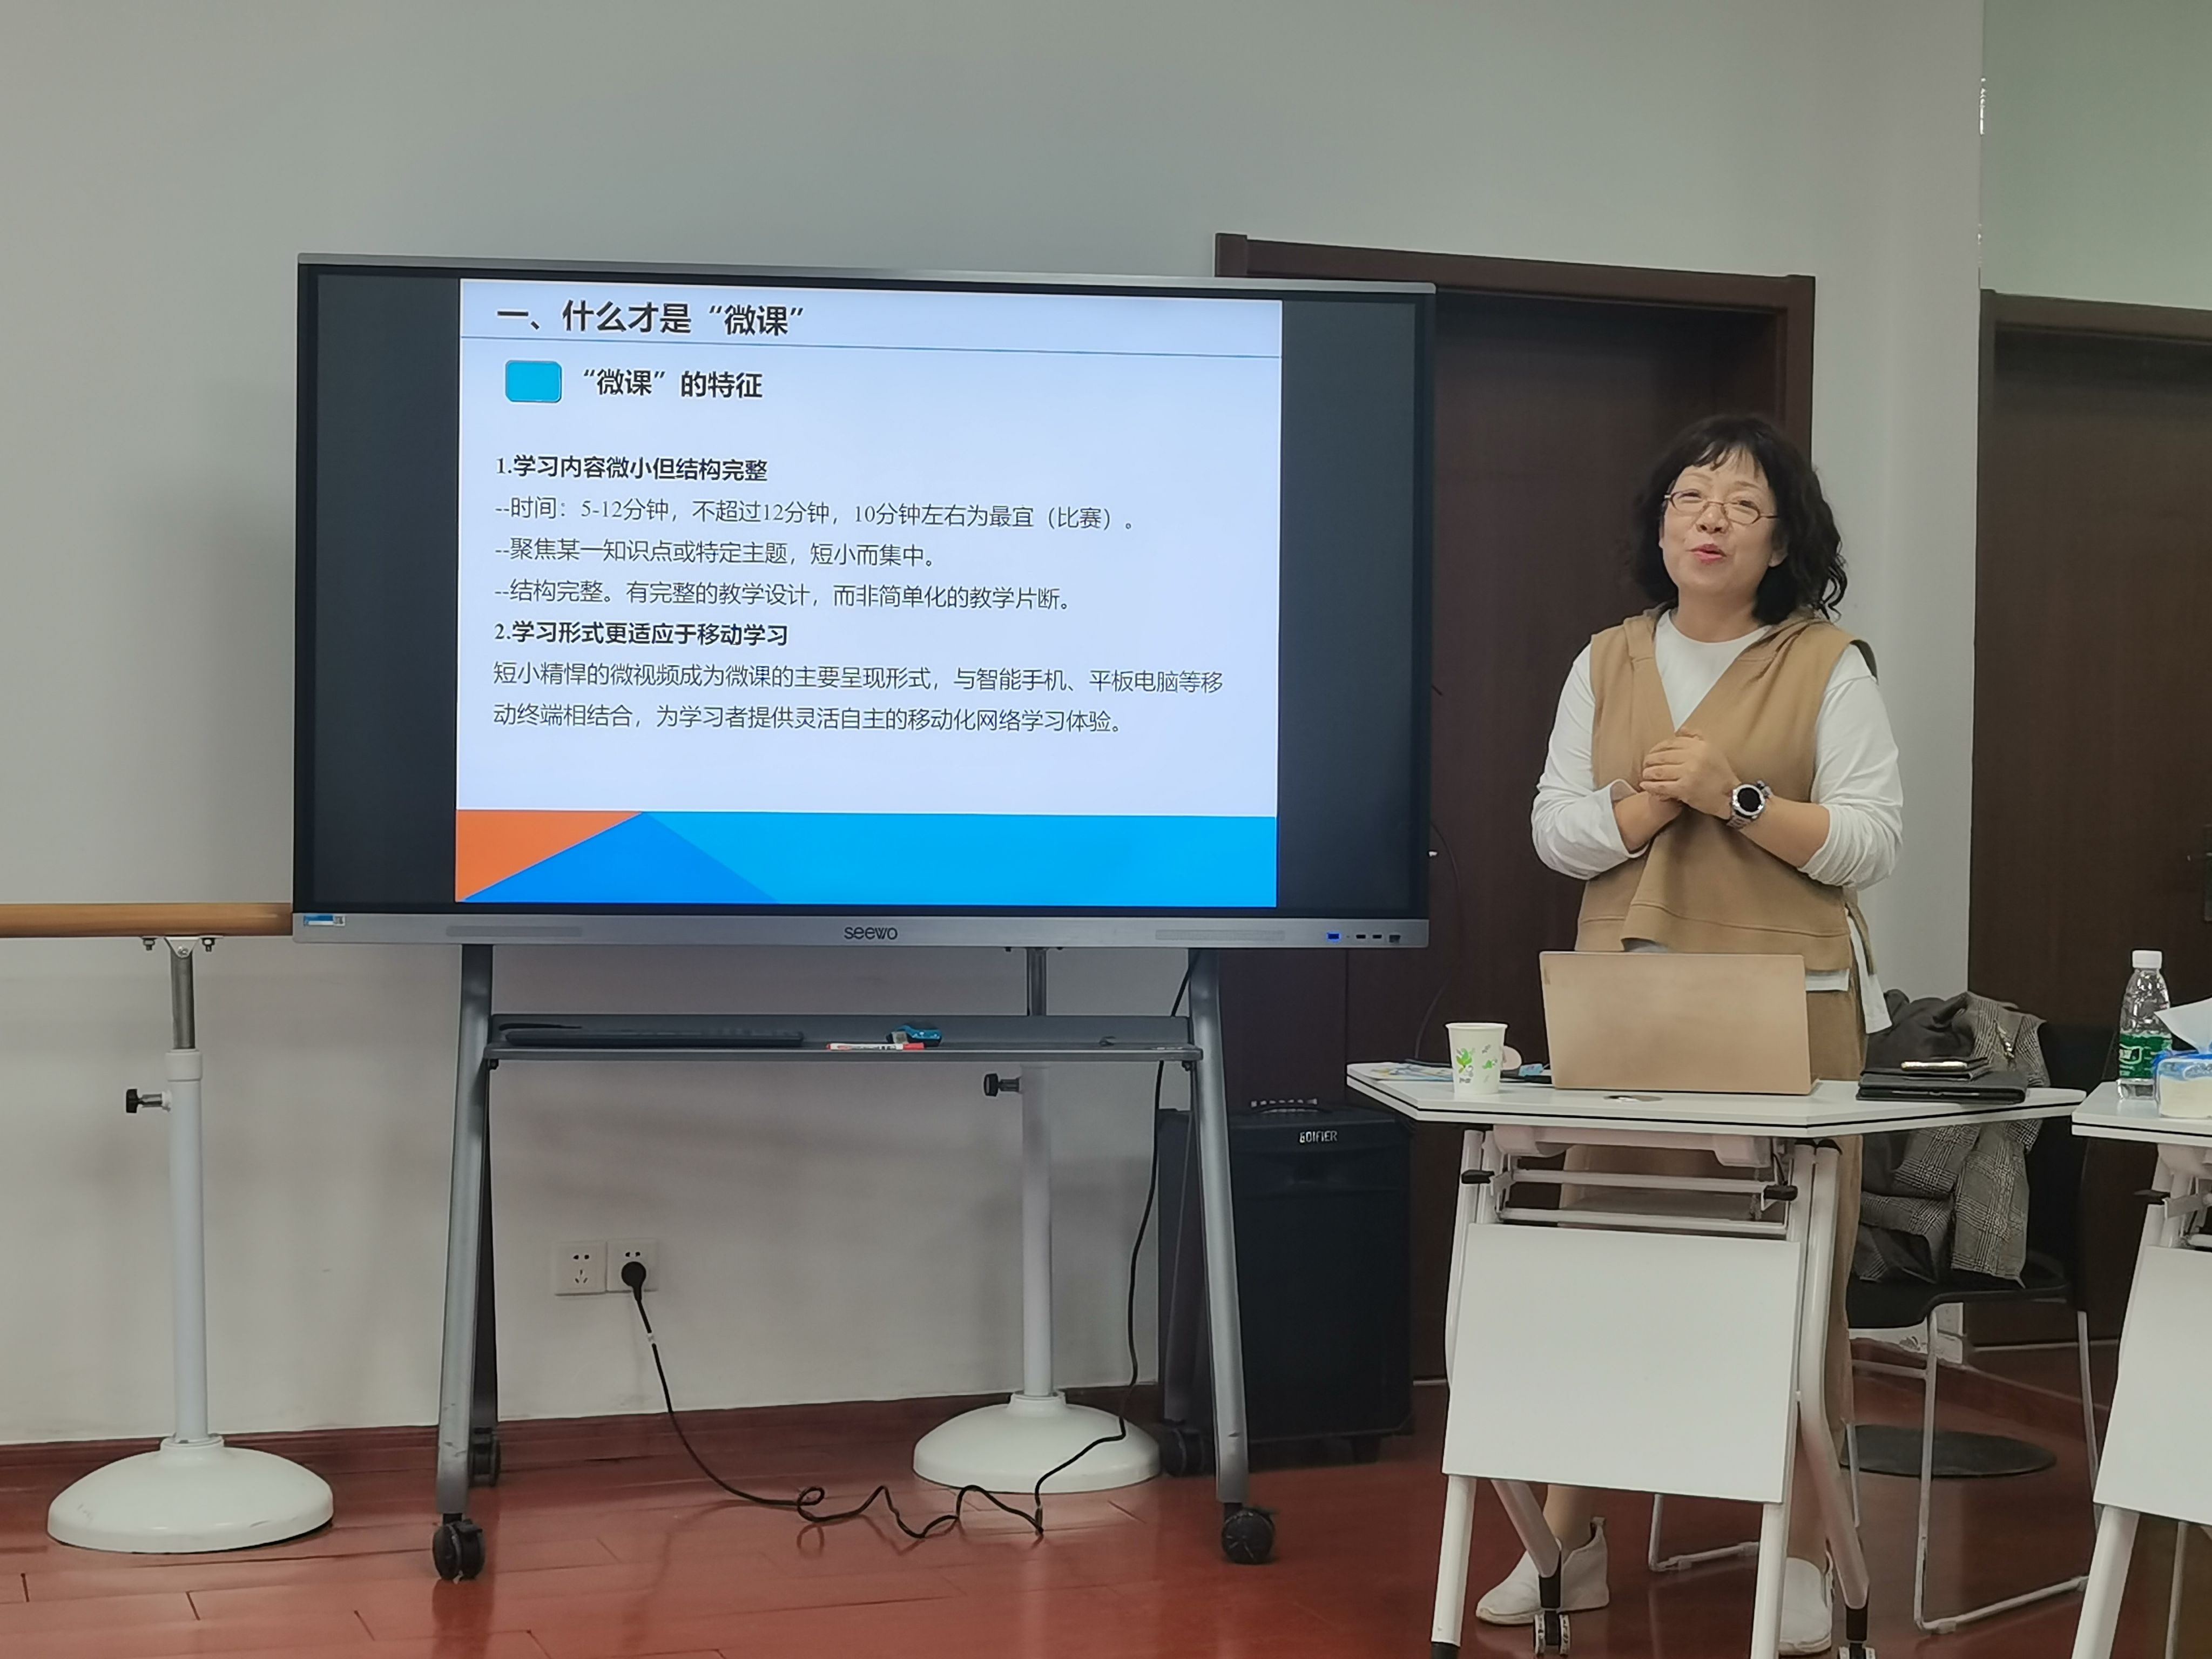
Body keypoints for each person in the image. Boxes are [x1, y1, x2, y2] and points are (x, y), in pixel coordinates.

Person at [1480, 412, 1903, 1656]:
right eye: (1688, 498)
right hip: (1630, 1008)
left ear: (1781, 541)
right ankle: (1570, 1541)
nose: (1708, 520)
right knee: (1607, 1266)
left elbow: (1871, 839)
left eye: (1741, 504)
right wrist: (1644, 808)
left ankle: (1807, 1551)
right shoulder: (1606, 658)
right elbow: (1555, 829)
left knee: (1793, 1284)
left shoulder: (1825, 662)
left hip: (1789, 1013)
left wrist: (1738, 797)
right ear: (1659, 526)